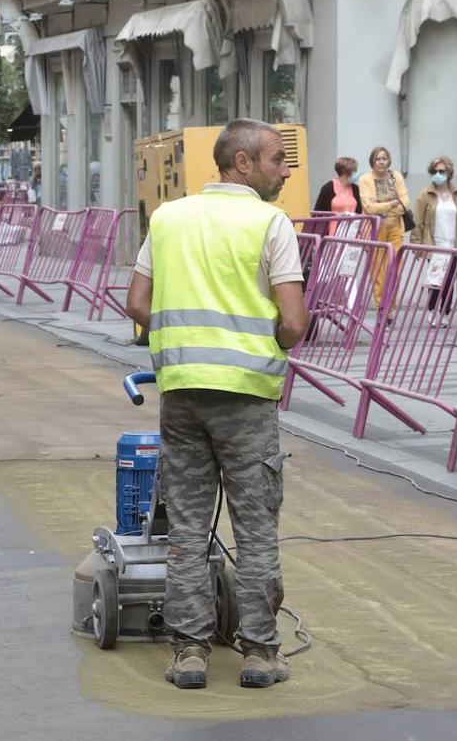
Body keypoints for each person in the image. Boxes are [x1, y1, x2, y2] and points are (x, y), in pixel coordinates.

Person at [125, 118, 308, 691]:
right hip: (247, 399)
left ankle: (189, 655)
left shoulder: (169, 217)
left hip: (181, 394)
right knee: (254, 531)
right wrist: (265, 342)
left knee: (187, 527)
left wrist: (182, 343)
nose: (286, 170)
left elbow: (136, 302)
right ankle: (258, 653)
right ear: (243, 163)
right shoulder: (270, 223)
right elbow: (295, 323)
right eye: (279, 159)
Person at [411, 156, 457, 315]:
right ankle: (432, 309)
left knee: (450, 280)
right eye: (435, 171)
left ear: (449, 173)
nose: (438, 174)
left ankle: (445, 313)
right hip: (434, 245)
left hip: (453, 245)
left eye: (442, 171)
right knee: (435, 282)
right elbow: (417, 221)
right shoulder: (425, 195)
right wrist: (416, 244)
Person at [357, 146, 411, 306]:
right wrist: (392, 204)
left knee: (395, 268)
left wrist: (385, 209)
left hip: (395, 227)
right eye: (378, 159)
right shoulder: (364, 180)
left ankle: (391, 306)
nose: (381, 162)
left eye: (384, 158)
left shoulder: (397, 177)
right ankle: (382, 307)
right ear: (372, 161)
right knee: (378, 269)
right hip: (374, 228)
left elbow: (406, 204)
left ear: (389, 160)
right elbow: (369, 207)